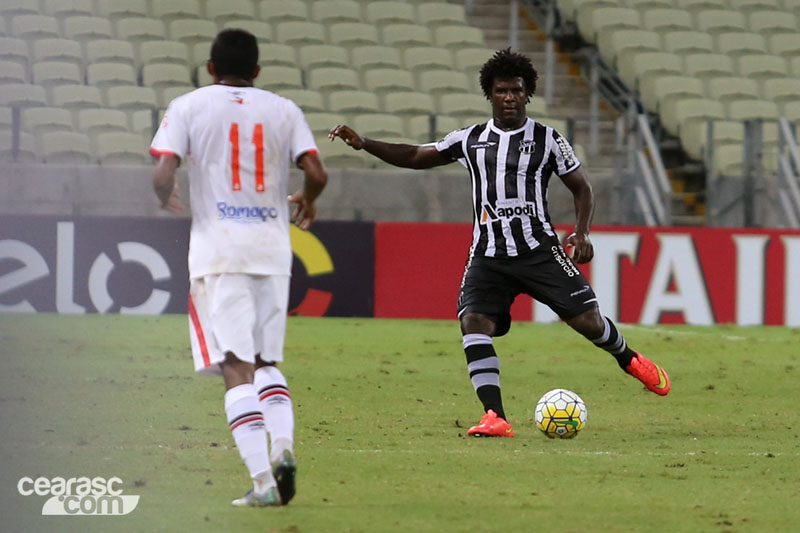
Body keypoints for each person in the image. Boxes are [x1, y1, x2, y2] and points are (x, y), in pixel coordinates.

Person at [329, 48, 669, 438]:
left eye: (516, 90)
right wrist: (365, 143)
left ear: (528, 94)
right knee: (473, 322)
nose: (509, 97)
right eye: (501, 90)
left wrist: (582, 231)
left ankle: (629, 358)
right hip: (488, 256)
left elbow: (582, 188)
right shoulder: (470, 139)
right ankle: (495, 416)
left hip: (540, 251)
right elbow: (416, 155)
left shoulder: (548, 139)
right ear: (489, 94)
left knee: (588, 322)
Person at [150, 29, 327, 504]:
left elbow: (163, 172)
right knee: (266, 362)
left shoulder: (188, 106)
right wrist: (308, 199)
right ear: (257, 71)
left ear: (210, 68)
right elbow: (316, 172)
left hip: (219, 251)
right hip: (272, 250)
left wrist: (165, 195)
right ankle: (283, 444)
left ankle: (264, 483)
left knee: (235, 365)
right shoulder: (284, 109)